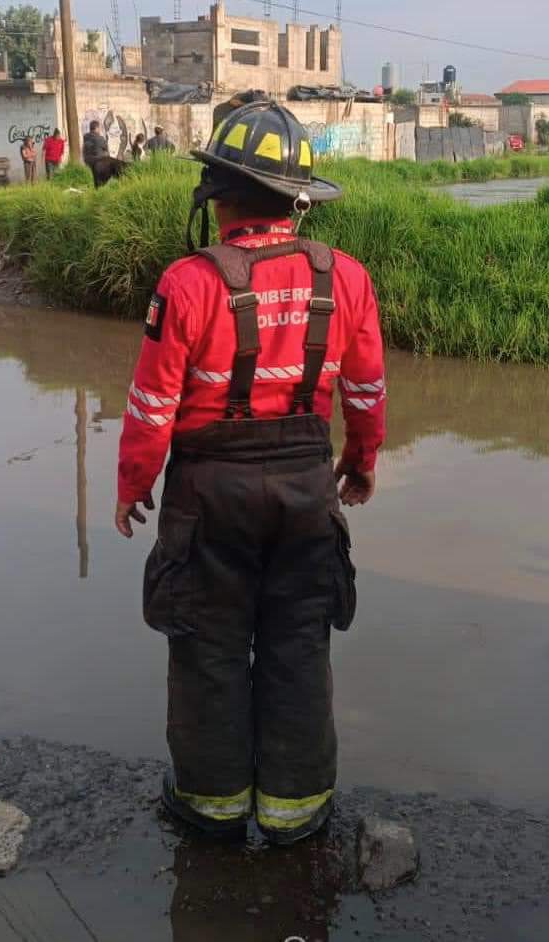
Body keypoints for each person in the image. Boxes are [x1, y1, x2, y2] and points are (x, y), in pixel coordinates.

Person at [115, 101, 385, 845]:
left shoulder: (188, 281)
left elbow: (151, 404)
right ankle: (294, 813)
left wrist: (133, 486)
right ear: (297, 200)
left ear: (219, 194)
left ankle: (211, 806)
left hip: (208, 497)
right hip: (305, 490)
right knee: (299, 644)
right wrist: (358, 464)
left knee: (207, 647)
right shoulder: (347, 278)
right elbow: (364, 391)